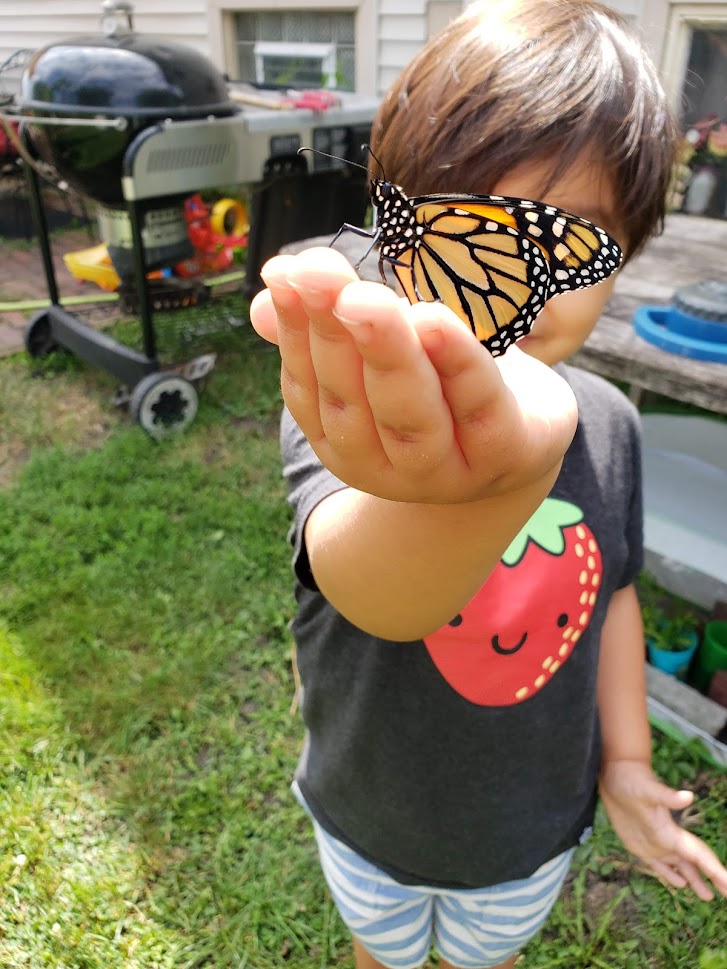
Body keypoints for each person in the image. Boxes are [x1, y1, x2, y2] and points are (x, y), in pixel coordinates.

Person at [250, 2, 727, 967]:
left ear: (619, 254)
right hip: (370, 809)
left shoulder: (609, 420)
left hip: (525, 829)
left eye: (568, 239)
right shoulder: (353, 398)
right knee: (377, 953)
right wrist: (484, 489)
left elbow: (615, 594)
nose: (535, 277)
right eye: (470, 210)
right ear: (399, 209)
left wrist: (627, 762)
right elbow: (373, 592)